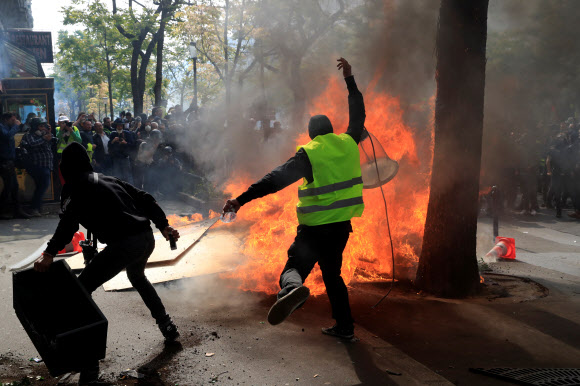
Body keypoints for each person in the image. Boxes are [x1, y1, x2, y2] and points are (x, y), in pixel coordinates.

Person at [222, 58, 365, 339]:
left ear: (312, 134)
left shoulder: (309, 153)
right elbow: (358, 113)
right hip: (340, 228)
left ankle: (290, 290)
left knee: (295, 266)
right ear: (331, 130)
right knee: (333, 276)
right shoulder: (349, 142)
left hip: (314, 230)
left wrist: (240, 200)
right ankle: (345, 327)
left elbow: (273, 181)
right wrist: (349, 79)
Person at [33, 142, 181, 383]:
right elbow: (145, 197)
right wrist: (163, 225)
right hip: (145, 238)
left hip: (124, 244)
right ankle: (168, 326)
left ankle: (89, 372)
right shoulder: (108, 179)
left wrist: (49, 253)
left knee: (81, 294)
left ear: (65, 168)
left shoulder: (75, 187)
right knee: (138, 277)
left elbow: (68, 225)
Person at [0, 112, 30, 219]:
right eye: (12, 120)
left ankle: (17, 210)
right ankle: (4, 210)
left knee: (13, 187)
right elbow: (7, 136)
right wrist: (16, 126)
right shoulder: (2, 127)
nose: (14, 122)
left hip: (9, 161)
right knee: (9, 186)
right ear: (6, 119)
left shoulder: (8, 128)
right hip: (3, 161)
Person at [21, 118, 54, 216]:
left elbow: (51, 142)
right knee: (42, 186)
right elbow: (32, 144)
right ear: (35, 126)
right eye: (41, 126)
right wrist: (43, 138)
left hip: (46, 164)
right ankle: (34, 208)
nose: (43, 128)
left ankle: (37, 208)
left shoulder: (44, 134)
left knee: (41, 187)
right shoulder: (29, 135)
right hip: (37, 165)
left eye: (44, 126)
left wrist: (48, 133)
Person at [109, 119, 134, 183]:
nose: (119, 127)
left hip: (125, 157)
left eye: (121, 125)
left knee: (127, 175)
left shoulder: (127, 133)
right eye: (118, 125)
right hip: (116, 157)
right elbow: (109, 145)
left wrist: (125, 143)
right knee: (117, 175)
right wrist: (113, 141)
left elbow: (132, 145)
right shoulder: (113, 134)